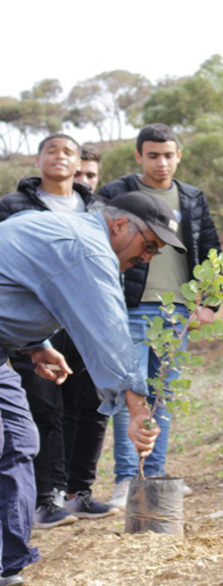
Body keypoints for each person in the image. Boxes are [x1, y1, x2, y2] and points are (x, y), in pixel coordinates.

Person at [0, 191, 173, 586]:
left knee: (19, 441)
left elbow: (18, 283)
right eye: (148, 245)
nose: (147, 258)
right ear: (118, 225)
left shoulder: (66, 232)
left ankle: (6, 561)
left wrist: (36, 344)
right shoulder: (88, 249)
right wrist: (136, 405)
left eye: (156, 253)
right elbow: (109, 331)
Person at [98, 124, 222, 507]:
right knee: (131, 393)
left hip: (177, 312)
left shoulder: (191, 196)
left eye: (168, 155)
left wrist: (209, 303)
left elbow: (210, 247)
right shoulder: (116, 194)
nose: (161, 162)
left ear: (178, 155)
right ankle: (125, 481)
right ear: (138, 157)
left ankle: (153, 476)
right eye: (153, 155)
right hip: (130, 309)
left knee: (163, 394)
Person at [0, 133, 114, 529]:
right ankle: (45, 498)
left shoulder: (97, 208)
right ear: (38, 159)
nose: (61, 157)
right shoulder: (13, 207)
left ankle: (79, 492)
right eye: (52, 150)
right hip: (35, 327)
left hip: (83, 319)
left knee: (92, 404)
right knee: (44, 407)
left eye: (69, 151)